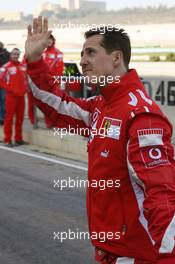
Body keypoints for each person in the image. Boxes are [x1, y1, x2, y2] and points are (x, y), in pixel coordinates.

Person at [25, 17, 175, 264]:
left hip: (135, 256)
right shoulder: (100, 106)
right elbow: (56, 105)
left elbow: (163, 196)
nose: (82, 61)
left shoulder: (141, 115)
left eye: (91, 53)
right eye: (82, 54)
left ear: (116, 58)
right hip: (109, 252)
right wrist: (34, 61)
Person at [0, 48, 28, 147]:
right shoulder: (5, 67)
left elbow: (26, 80)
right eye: (14, 54)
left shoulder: (23, 66)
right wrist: (11, 89)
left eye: (17, 54)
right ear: (10, 55)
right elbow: (1, 81)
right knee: (9, 118)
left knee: (20, 118)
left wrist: (25, 89)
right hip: (11, 97)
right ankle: (7, 139)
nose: (16, 56)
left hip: (21, 97)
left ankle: (18, 139)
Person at [0, 42, 10, 125]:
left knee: (3, 99)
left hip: (3, 81)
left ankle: (4, 117)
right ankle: (1, 118)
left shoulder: (7, 54)